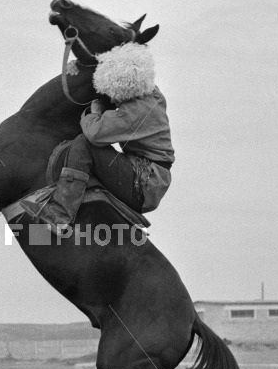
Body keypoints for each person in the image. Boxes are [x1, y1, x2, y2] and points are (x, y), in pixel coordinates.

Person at [21, 41, 174, 233]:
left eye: (111, 93)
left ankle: (60, 215)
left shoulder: (134, 113)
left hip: (144, 183)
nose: (112, 99)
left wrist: (94, 112)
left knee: (84, 145)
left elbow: (94, 133)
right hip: (151, 179)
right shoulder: (153, 94)